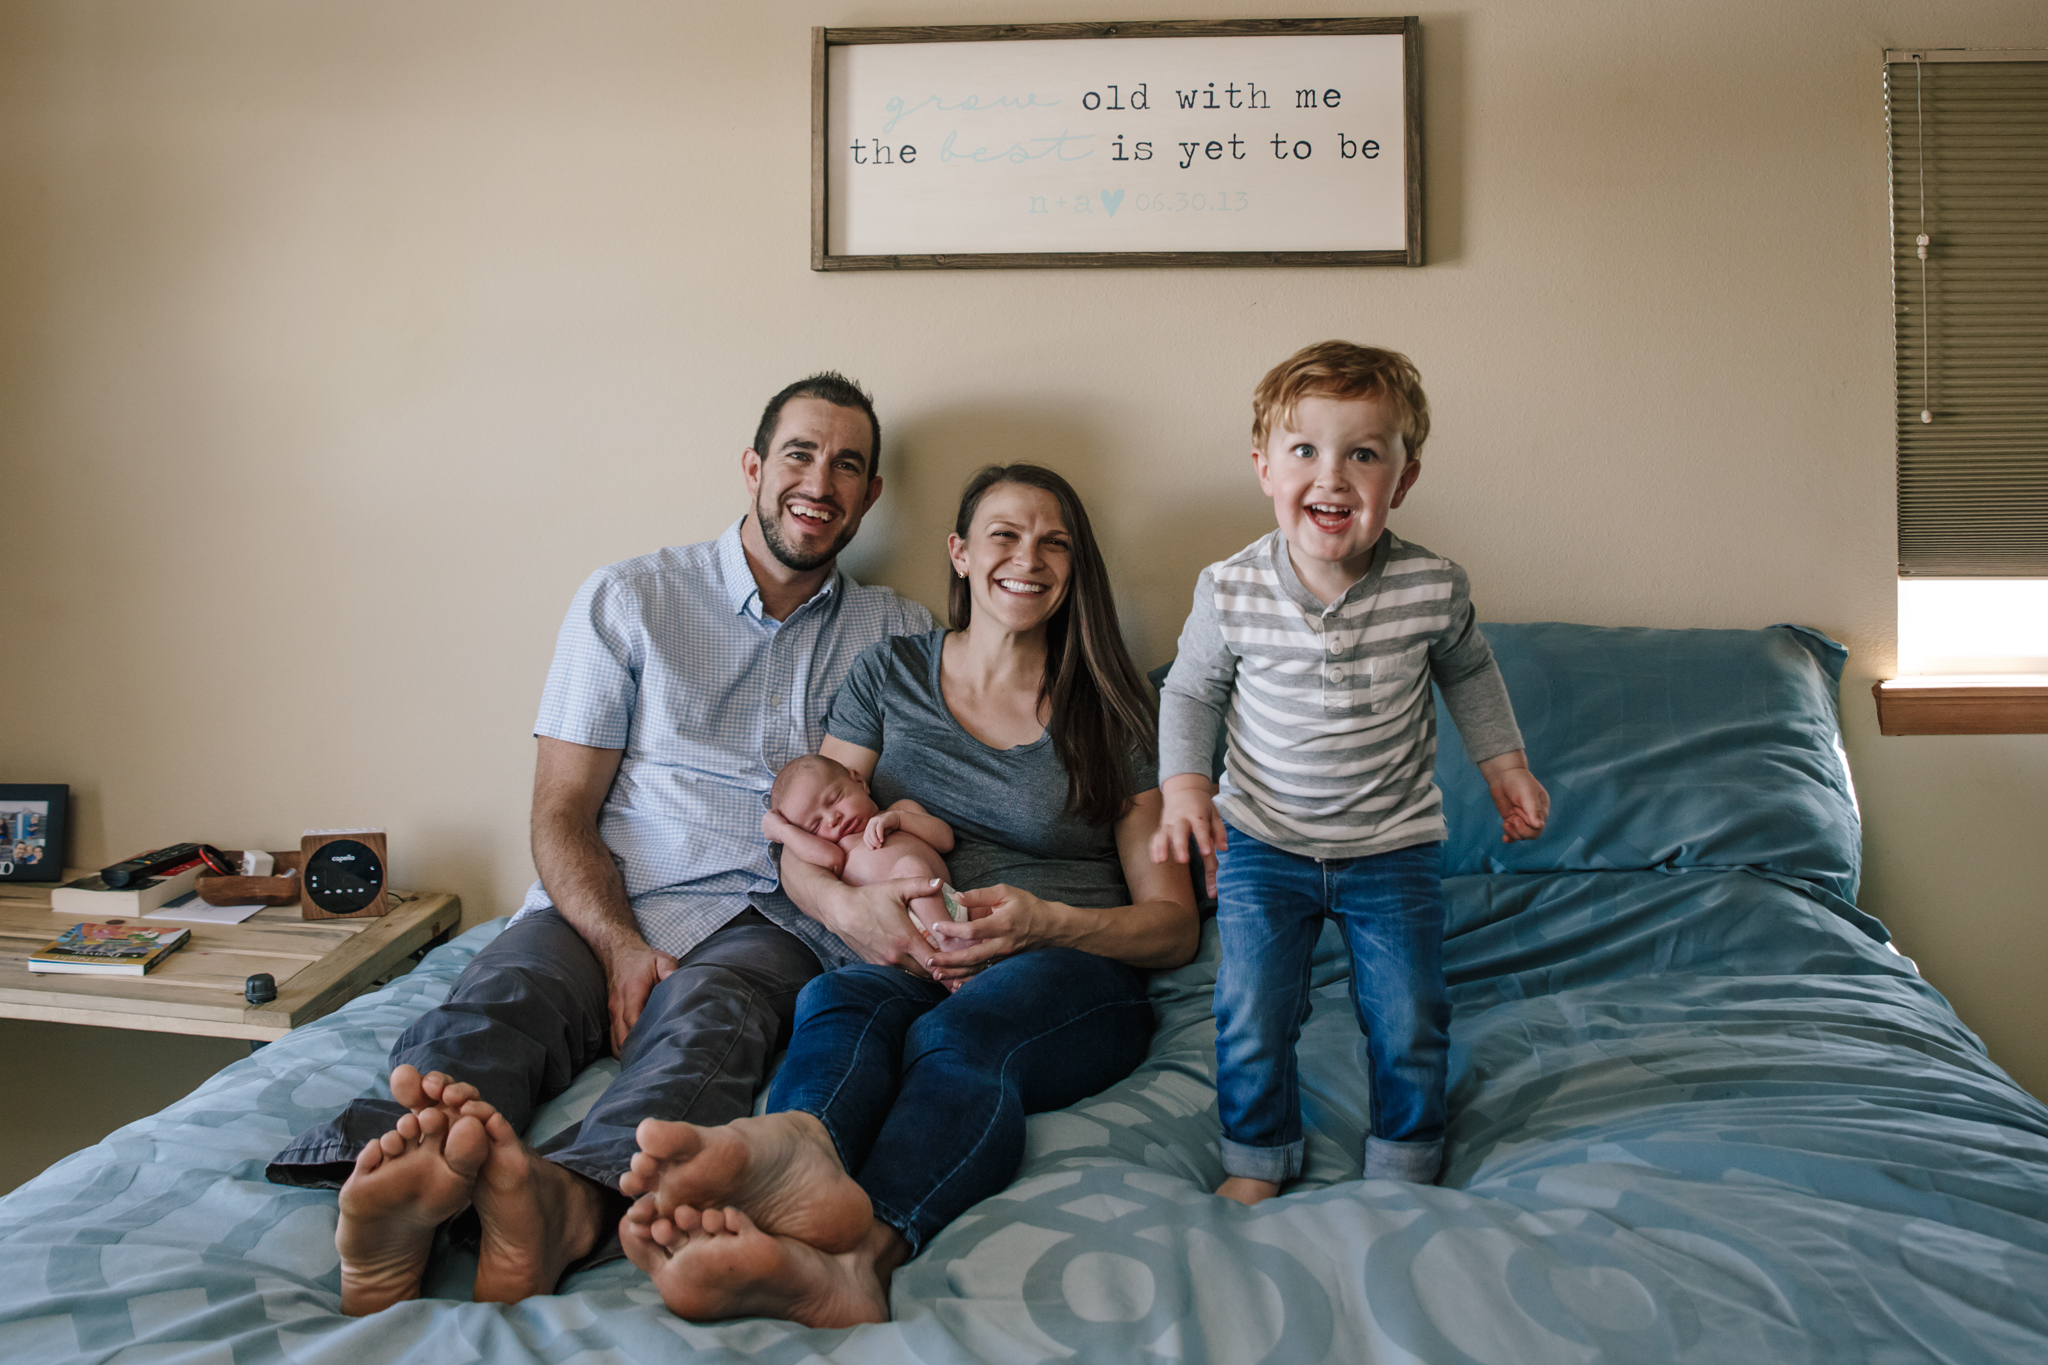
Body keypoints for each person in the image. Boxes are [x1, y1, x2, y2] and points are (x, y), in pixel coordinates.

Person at [264, 372, 936, 1315]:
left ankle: (565, 1203)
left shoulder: (898, 634)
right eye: (799, 453)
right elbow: (558, 811)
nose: (819, 482)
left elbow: (917, 807)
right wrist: (619, 941)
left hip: (768, 914)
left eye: (848, 466)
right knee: (504, 996)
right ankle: (415, 1179)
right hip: (611, 893)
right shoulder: (630, 598)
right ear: (752, 467)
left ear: (868, 497)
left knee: (713, 1028)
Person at [611, 464, 1201, 1327]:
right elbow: (806, 833)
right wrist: (850, 912)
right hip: (908, 951)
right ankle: (800, 1152)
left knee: (958, 1037)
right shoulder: (889, 673)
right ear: (960, 554)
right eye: (1004, 534)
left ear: (1075, 568)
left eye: (1054, 541)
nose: (1027, 558)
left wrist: (1049, 921)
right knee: (835, 995)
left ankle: (867, 1252)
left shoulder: (1114, 709)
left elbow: (1174, 926)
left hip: (1069, 970)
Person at [1150, 340, 1551, 1205]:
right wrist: (1186, 787)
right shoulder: (1230, 590)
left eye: (1363, 453)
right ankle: (1258, 1155)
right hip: (1265, 841)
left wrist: (1504, 764)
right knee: (1251, 1011)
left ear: (1401, 480)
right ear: (1264, 468)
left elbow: (1471, 673)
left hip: (1392, 846)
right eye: (1305, 450)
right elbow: (1190, 692)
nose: (1331, 476)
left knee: (1408, 1015)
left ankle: (1406, 1156)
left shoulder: (1432, 588)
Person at [763, 753, 974, 958]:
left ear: (859, 781)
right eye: (815, 825)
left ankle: (951, 943)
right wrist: (783, 831)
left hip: (947, 907)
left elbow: (946, 841)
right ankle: (950, 966)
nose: (832, 818)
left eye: (834, 799)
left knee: (911, 868)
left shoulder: (900, 811)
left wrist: (899, 820)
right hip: (889, 932)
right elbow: (828, 859)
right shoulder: (837, 852)